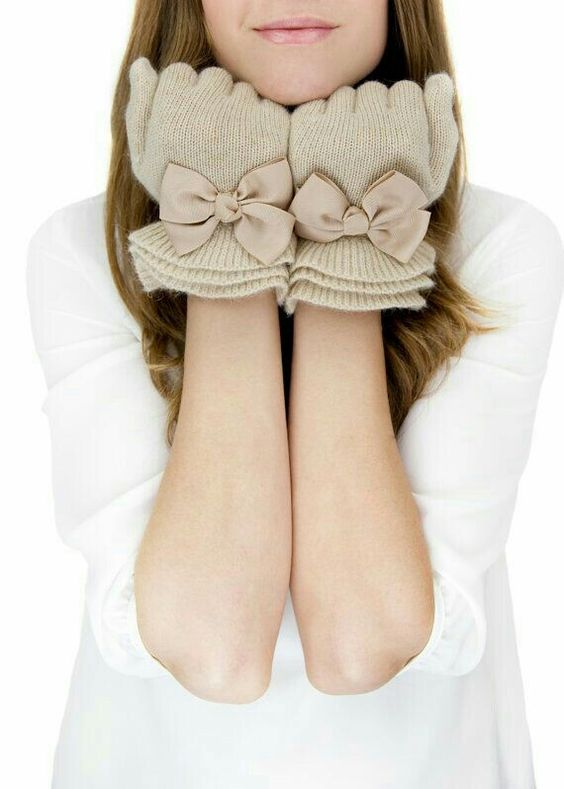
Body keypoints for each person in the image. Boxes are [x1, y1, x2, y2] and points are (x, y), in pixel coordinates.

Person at [25, 1, 564, 787]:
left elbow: (360, 643)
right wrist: (223, 222)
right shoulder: (85, 254)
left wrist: (346, 225)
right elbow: (215, 648)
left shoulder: (500, 246)